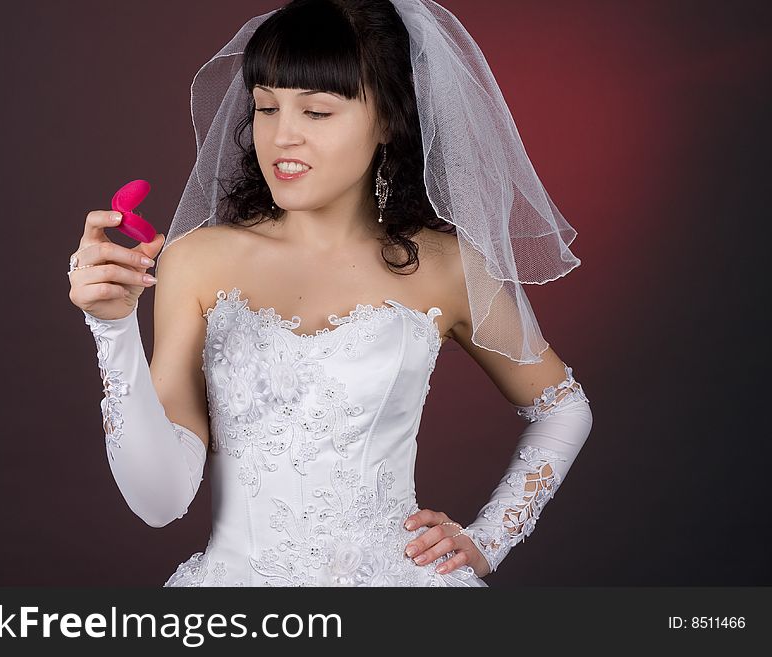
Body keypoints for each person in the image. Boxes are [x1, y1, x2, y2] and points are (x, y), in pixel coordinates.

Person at [67, 0, 593, 587]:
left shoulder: (448, 267)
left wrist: (490, 537)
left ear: (389, 119)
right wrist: (112, 329)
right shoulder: (197, 260)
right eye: (266, 107)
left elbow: (563, 407)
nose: (282, 136)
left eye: (316, 111)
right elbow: (160, 501)